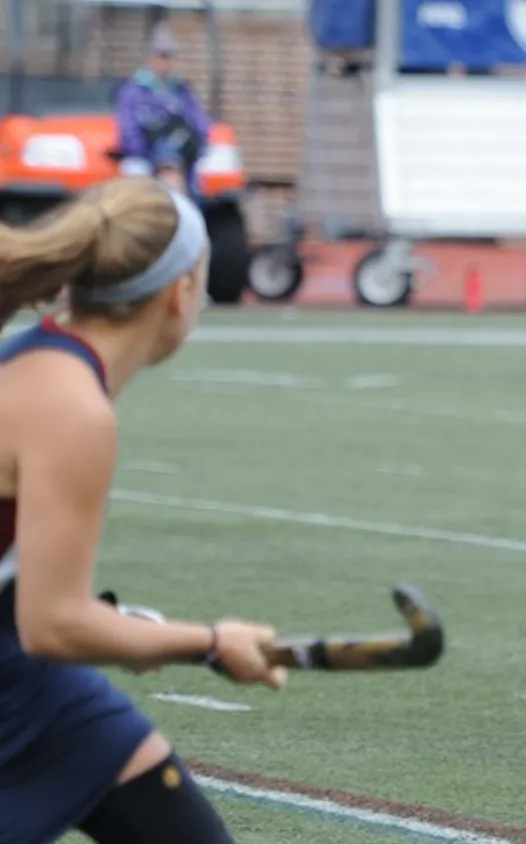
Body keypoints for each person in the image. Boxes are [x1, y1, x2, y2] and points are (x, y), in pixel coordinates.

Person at [0, 177, 286, 844]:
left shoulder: (45, 363)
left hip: (35, 681)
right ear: (181, 292)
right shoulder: (72, 408)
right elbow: (54, 627)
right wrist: (211, 642)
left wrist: (117, 625)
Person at [113, 23, 212, 197]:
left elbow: (199, 123)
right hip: (145, 156)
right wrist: (145, 150)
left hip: (182, 158)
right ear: (149, 57)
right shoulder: (134, 91)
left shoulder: (181, 90)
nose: (164, 62)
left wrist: (195, 148)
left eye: (168, 56)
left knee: (196, 183)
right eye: (160, 56)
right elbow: (128, 130)